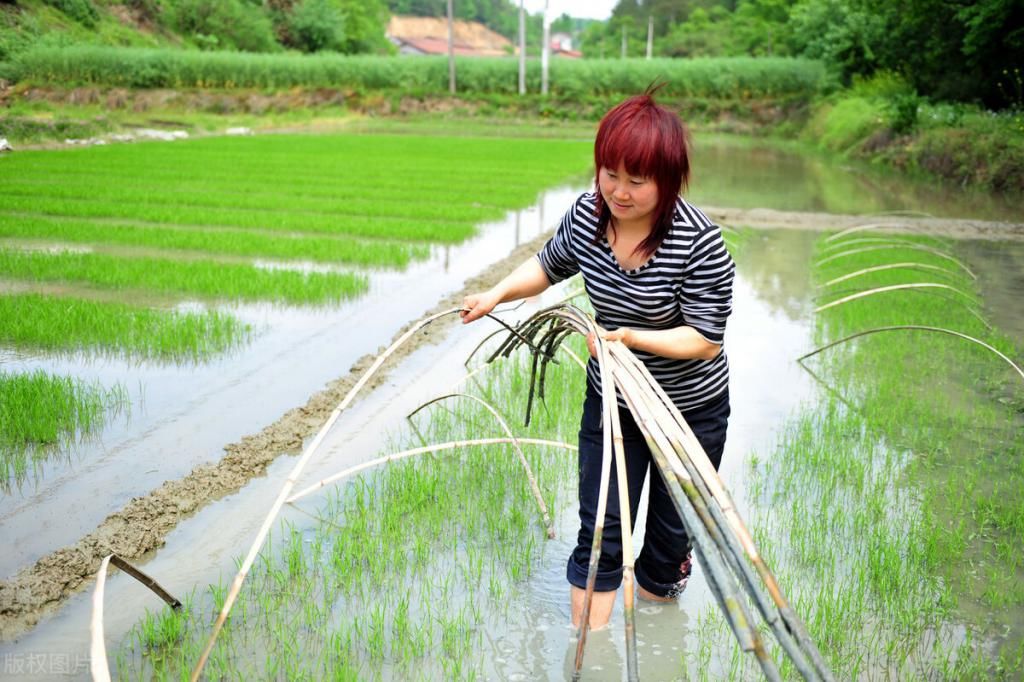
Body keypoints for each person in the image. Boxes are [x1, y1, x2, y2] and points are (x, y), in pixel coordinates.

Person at [460, 90, 734, 630]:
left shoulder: (700, 241)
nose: (619, 191)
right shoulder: (588, 215)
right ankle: (590, 648)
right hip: (613, 401)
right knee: (601, 531)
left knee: (670, 538)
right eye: (610, 174)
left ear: (670, 180)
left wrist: (629, 337)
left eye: (637, 181)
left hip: (689, 412)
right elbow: (548, 264)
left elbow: (705, 340)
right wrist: (496, 293)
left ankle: (657, 628)